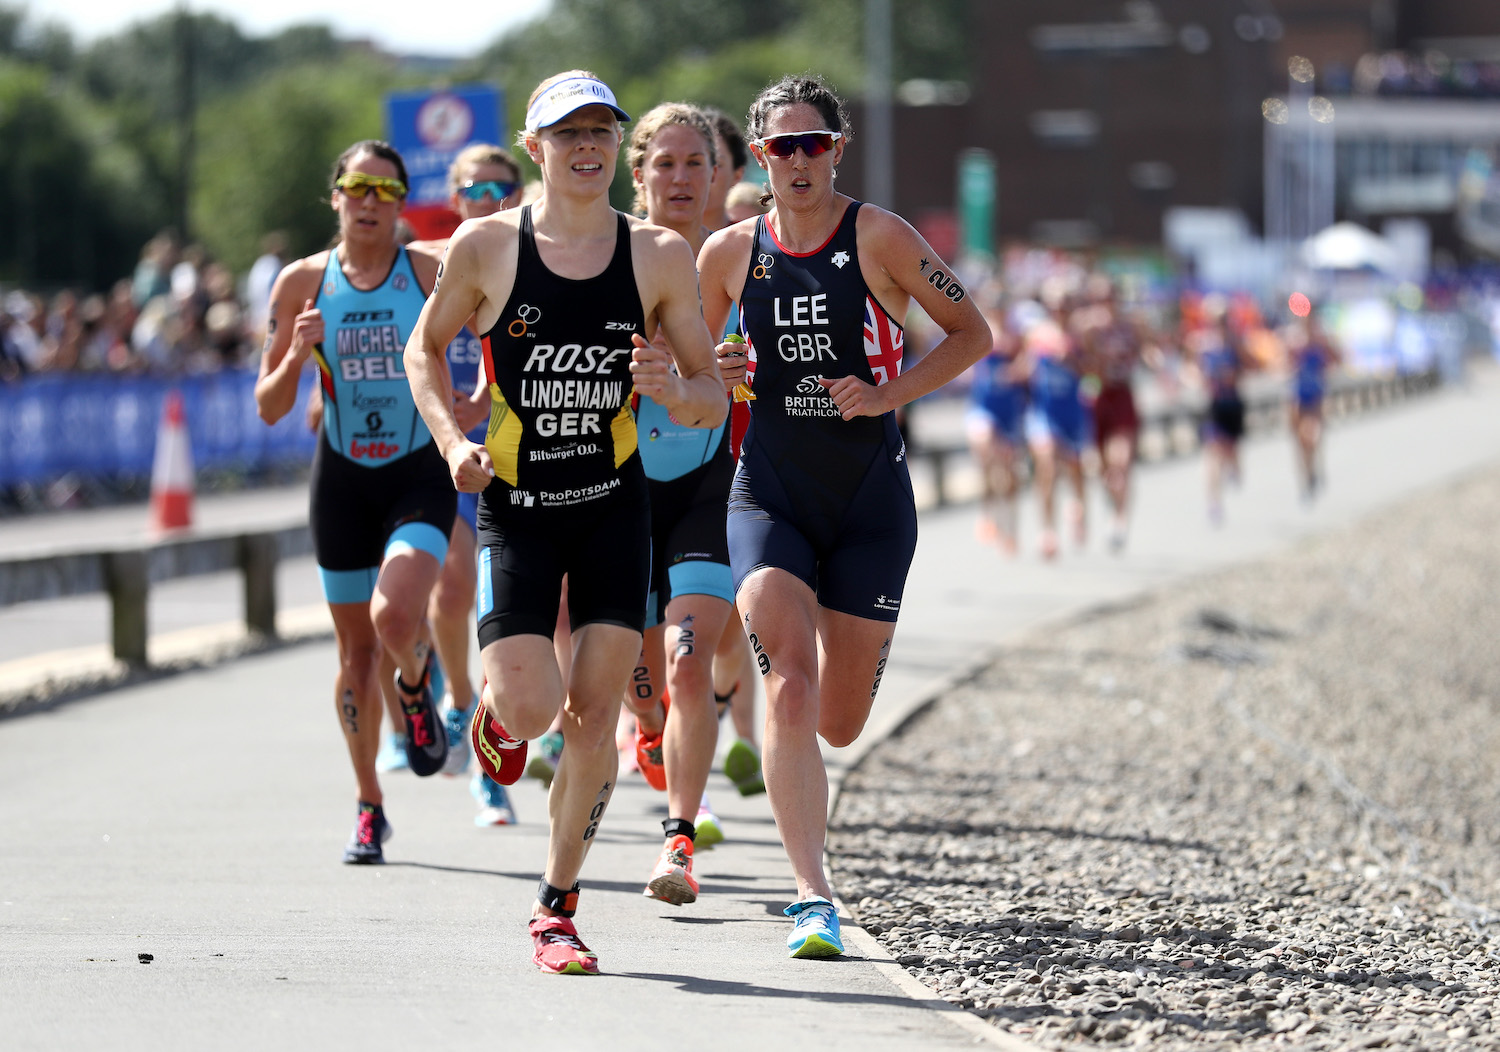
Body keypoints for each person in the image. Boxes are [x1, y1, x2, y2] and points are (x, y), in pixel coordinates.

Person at [403, 70, 727, 975]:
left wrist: (677, 390)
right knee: (537, 706)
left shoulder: (659, 255)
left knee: (593, 722)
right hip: (517, 507)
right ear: (535, 147)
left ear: (615, 147)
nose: (587, 147)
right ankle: (500, 722)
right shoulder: (486, 247)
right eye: (567, 132)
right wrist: (446, 440)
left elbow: (710, 395)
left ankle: (557, 906)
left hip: (613, 509)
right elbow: (422, 348)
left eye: (601, 132)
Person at [697, 75, 989, 958]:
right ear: (759, 158)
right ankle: (811, 896)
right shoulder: (724, 255)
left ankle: (813, 820)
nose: (798, 161)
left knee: (838, 720)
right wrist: (714, 374)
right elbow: (698, 385)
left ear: (838, 148)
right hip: (769, 491)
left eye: (812, 143)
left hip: (869, 500)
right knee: (788, 679)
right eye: (781, 147)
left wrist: (887, 392)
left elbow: (973, 333)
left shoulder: (881, 236)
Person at [254, 140, 451, 865]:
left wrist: (470, 403)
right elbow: (269, 407)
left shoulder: (428, 271)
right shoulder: (301, 284)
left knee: (396, 613)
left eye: (385, 190)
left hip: (418, 472)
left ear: (401, 202)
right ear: (334, 195)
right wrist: (297, 354)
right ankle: (369, 805)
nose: (370, 201)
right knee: (353, 652)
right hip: (341, 479)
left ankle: (416, 684)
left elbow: (499, 334)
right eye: (357, 187)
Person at [618, 102, 740, 902]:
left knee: (687, 663)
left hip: (708, 483)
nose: (683, 178)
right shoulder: (605, 257)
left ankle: (678, 842)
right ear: (639, 175)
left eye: (697, 162)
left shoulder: (735, 261)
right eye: (665, 163)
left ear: (718, 174)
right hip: (618, 487)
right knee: (642, 682)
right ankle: (653, 734)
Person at [410, 144, 526, 826]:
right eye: (472, 186)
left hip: (516, 448)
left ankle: (500, 728)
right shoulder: (423, 260)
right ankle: (462, 706)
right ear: (454, 195)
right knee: (453, 590)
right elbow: (402, 341)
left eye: (498, 184)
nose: (485, 194)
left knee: (521, 599)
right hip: (445, 450)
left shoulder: (538, 252)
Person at [1076, 276, 1149, 553]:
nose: (1104, 303)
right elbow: (1079, 358)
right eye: (1098, 298)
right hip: (1097, 397)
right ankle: (1114, 503)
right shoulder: (1086, 325)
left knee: (1121, 462)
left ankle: (1119, 520)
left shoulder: (1131, 326)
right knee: (1102, 468)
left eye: (1108, 297)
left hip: (1122, 396)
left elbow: (1145, 352)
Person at [1025, 281, 1089, 560]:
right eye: (1053, 305)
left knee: (1075, 469)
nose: (1058, 310)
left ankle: (1078, 505)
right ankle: (1048, 530)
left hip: (1072, 413)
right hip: (1044, 412)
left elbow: (1095, 373)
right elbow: (1025, 368)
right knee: (1047, 466)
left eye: (1064, 304)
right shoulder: (1037, 334)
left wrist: (1073, 359)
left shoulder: (1083, 335)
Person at [966, 299, 1027, 555]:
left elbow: (1029, 364)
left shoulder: (1016, 337)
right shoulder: (979, 330)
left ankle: (1010, 528)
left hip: (1009, 411)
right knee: (985, 455)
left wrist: (1013, 371)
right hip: (983, 408)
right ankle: (986, 513)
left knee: (1009, 475)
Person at [1285, 311, 1341, 502]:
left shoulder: (1321, 344)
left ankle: (1315, 470)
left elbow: (1336, 361)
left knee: (1313, 436)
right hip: (1297, 397)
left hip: (1316, 397)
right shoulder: (1293, 342)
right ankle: (1307, 478)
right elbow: (1283, 366)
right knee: (1300, 443)